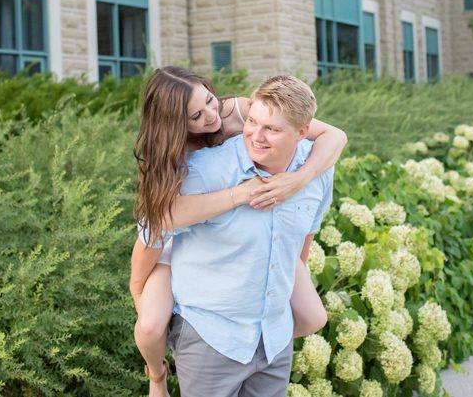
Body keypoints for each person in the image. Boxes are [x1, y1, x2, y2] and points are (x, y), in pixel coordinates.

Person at [130, 68, 345, 397]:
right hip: (175, 252)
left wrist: (298, 179)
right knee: (149, 324)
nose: (211, 115)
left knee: (314, 316)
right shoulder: (186, 166)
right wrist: (137, 289)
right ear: (176, 124)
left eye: (209, 101)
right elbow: (157, 226)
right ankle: (156, 377)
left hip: (267, 338)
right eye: (197, 115)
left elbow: (334, 135)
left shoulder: (239, 110)